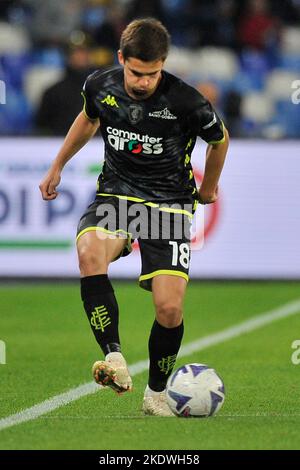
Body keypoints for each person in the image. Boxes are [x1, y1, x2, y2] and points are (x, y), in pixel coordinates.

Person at [39, 18, 229, 416]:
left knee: (170, 309)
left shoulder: (186, 100)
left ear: (164, 63)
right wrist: (57, 164)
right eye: (137, 73)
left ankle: (156, 394)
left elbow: (219, 138)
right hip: (118, 195)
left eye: (153, 73)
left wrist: (208, 188)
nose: (144, 82)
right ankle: (114, 358)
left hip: (169, 204)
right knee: (90, 252)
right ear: (121, 58)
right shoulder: (100, 86)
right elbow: (88, 118)